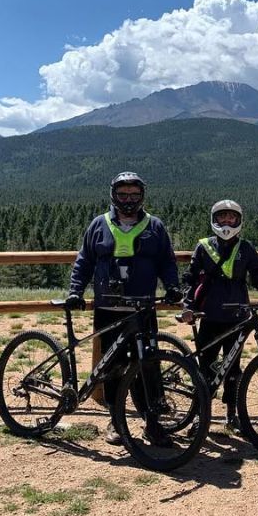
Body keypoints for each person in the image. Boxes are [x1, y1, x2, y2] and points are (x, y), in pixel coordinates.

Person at [66, 171, 181, 445]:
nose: (128, 200)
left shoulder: (155, 226)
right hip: (109, 310)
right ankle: (116, 422)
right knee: (113, 369)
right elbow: (84, 262)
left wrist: (173, 287)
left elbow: (167, 261)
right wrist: (75, 292)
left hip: (142, 309)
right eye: (123, 194)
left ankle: (152, 423)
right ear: (113, 195)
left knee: (148, 367)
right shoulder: (99, 225)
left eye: (134, 194)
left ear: (142, 196)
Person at [182, 199, 258, 431]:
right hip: (208, 315)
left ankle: (231, 415)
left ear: (239, 220)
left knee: (233, 369)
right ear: (214, 219)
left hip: (237, 317)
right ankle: (200, 414)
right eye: (222, 216)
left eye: (232, 217)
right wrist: (187, 305)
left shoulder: (246, 248)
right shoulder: (203, 247)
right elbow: (189, 278)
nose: (227, 221)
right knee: (204, 367)